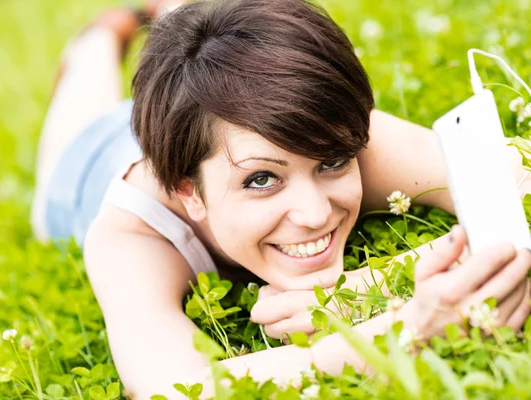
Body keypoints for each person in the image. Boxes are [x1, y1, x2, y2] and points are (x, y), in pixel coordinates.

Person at [30, 0, 531, 397]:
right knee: (87, 86)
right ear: (187, 190)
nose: (316, 215)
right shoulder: (131, 235)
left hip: (210, 120)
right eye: (262, 181)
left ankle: (175, 14)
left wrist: (364, 286)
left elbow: (521, 177)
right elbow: (180, 388)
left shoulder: (313, 129)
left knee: (204, 41)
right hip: (86, 164)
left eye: (333, 163)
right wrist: (408, 329)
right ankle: (97, 40)